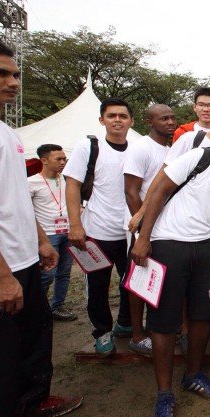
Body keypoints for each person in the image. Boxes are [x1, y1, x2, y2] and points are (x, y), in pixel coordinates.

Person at [130, 126, 210, 417]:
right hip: (167, 242)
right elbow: (159, 191)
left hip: (206, 247)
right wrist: (144, 238)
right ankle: (164, 394)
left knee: (202, 315)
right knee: (163, 321)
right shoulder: (201, 157)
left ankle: (193, 374)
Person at [0, 38, 81, 417]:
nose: (13, 82)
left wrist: (40, 241)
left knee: (34, 340)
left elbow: (13, 198)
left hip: (23, 258)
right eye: (0, 73)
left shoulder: (6, 132)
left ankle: (32, 402)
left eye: (16, 74)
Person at [64, 97, 135, 355]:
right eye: (112, 115)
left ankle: (125, 323)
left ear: (131, 121)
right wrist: (75, 225)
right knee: (97, 287)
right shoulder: (89, 147)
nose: (117, 120)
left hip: (128, 233)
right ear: (102, 119)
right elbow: (72, 184)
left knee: (130, 283)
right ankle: (102, 332)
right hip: (95, 232)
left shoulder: (137, 149)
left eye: (123, 116)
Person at [122, 104, 176, 356]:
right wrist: (143, 229)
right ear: (150, 122)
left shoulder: (171, 149)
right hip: (143, 228)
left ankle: (157, 330)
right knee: (139, 280)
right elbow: (131, 190)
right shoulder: (141, 147)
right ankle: (136, 334)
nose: (170, 122)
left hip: (166, 227)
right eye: (163, 118)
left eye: (172, 117)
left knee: (157, 280)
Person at [28, 143, 76, 321]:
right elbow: (26, 211)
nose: (63, 162)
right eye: (59, 159)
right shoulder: (31, 182)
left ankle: (57, 306)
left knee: (64, 272)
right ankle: (36, 307)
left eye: (65, 158)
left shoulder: (67, 180)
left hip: (68, 232)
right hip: (47, 234)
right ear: (44, 160)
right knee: (47, 274)